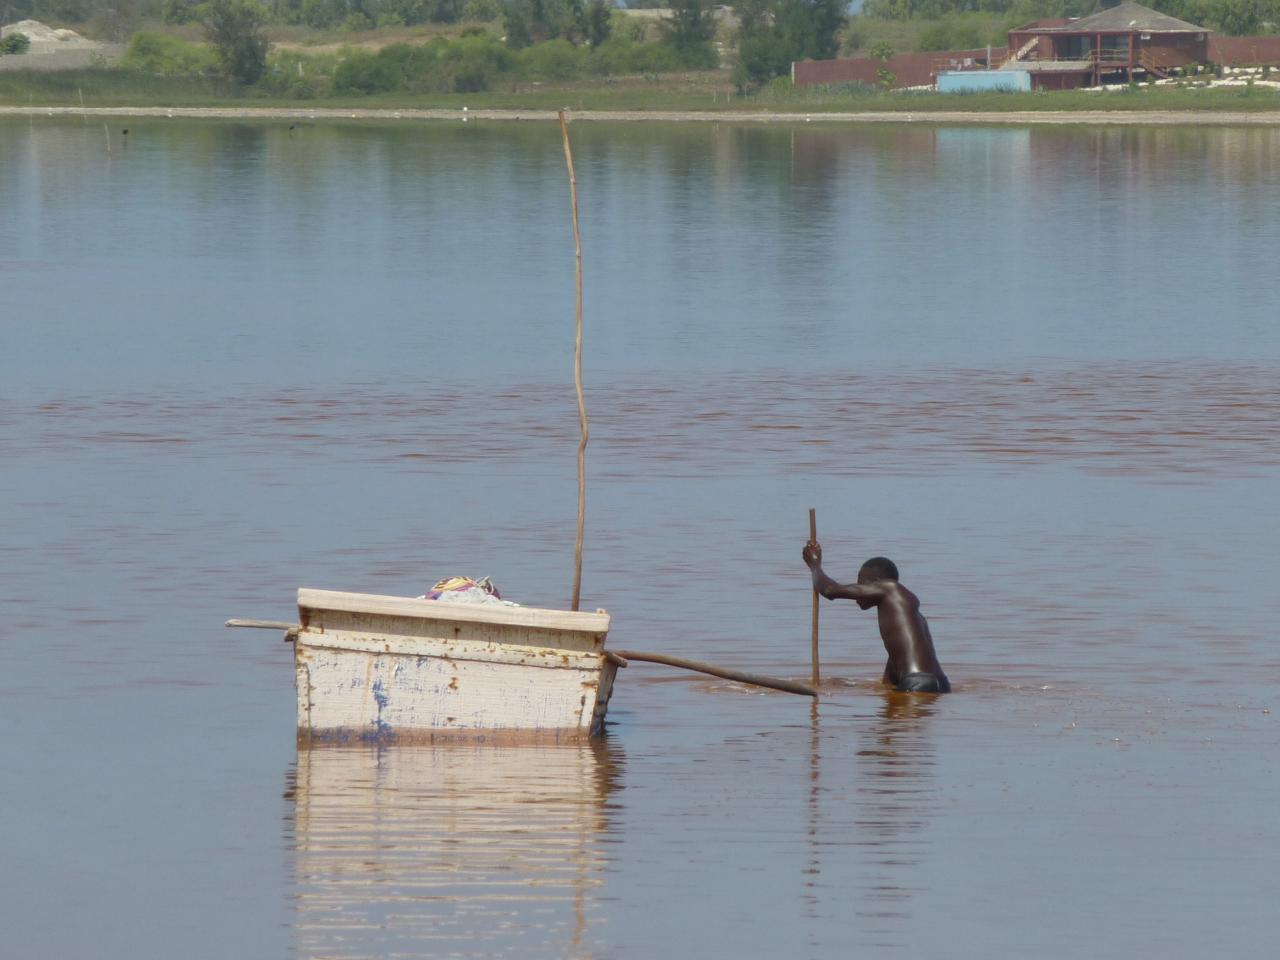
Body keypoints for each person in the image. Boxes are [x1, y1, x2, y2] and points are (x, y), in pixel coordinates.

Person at [802, 541, 950, 693]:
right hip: (940, 684)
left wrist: (814, 564)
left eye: (861, 583)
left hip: (917, 681)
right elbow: (888, 683)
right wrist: (845, 686)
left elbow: (829, 590)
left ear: (877, 583)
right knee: (885, 715)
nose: (857, 587)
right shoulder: (909, 620)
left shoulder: (890, 587)